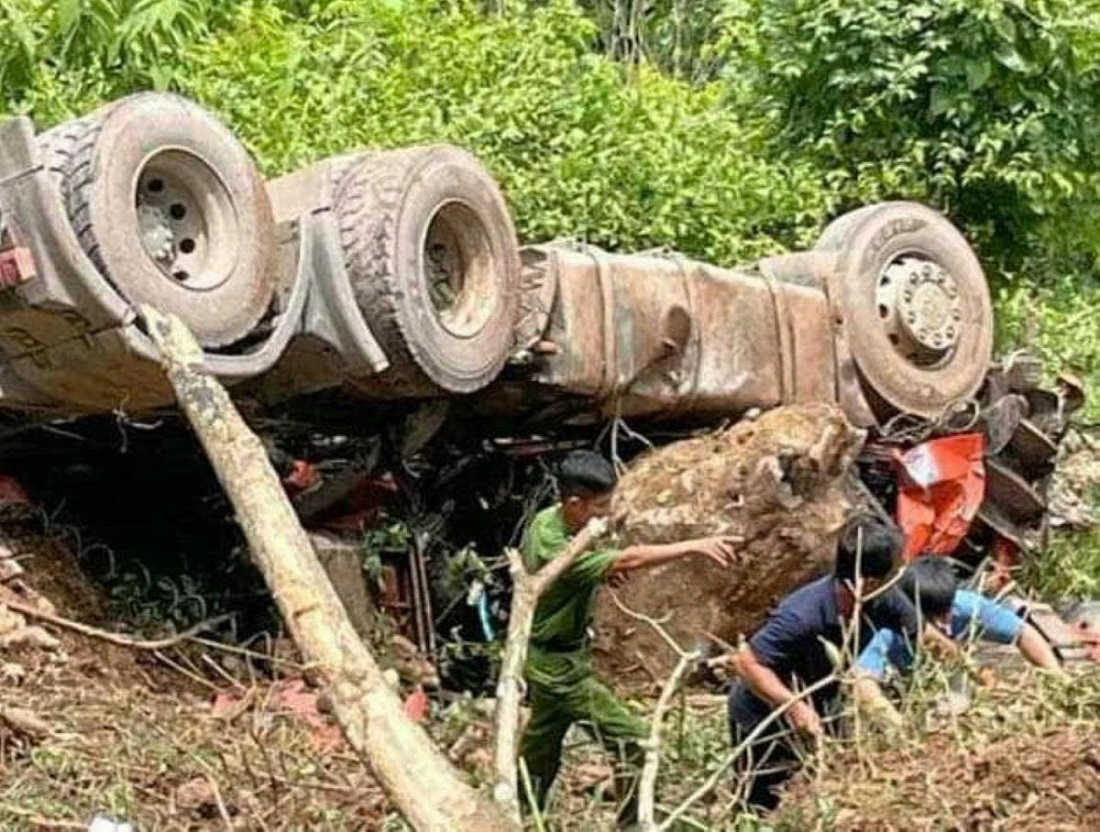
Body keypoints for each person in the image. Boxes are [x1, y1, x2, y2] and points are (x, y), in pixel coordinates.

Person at [518, 450, 738, 824]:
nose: (605, 515)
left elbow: (597, 555)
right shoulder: (550, 545)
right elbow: (628, 559)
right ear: (574, 503)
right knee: (633, 742)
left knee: (540, 749)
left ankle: (522, 813)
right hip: (559, 667)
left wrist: (600, 569)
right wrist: (692, 546)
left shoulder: (553, 521)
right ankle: (631, 822)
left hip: (553, 657)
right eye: (600, 507)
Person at [726, 516, 916, 812]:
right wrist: (793, 705)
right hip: (764, 712)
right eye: (894, 571)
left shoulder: (883, 598)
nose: (899, 577)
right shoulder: (803, 615)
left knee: (829, 782)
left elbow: (915, 629)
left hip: (823, 701)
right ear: (867, 582)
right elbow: (747, 662)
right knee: (762, 802)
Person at [855, 555, 1065, 694]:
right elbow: (862, 681)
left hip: (945, 679)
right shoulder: (885, 630)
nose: (944, 625)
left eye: (946, 613)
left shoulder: (965, 605)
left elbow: (1024, 633)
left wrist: (1059, 680)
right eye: (932, 618)